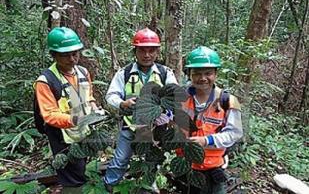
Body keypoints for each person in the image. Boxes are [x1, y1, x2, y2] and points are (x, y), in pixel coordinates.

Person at [103, 28, 178, 189]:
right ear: (135, 51)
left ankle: (149, 187)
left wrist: (170, 115)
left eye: (152, 51)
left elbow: (175, 97)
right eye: (142, 51)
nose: (147, 55)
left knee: (153, 160)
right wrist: (123, 104)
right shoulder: (125, 73)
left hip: (157, 128)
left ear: (157, 52)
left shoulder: (165, 73)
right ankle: (108, 186)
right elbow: (111, 96)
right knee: (121, 158)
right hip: (130, 125)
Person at [34, 27, 102, 190]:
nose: (72, 59)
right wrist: (75, 119)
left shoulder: (83, 72)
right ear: (54, 55)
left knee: (81, 168)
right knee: (71, 177)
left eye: (75, 53)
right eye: (65, 55)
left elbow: (89, 96)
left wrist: (94, 108)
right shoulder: (46, 81)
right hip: (61, 137)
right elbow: (49, 115)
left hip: (84, 131)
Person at [178, 46, 243, 194]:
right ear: (189, 74)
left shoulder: (228, 101)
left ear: (216, 74)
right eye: (197, 73)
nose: (202, 78)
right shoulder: (179, 98)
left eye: (208, 73)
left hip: (214, 167)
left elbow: (235, 133)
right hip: (187, 166)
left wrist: (207, 141)